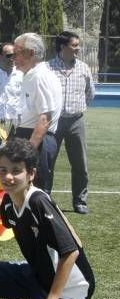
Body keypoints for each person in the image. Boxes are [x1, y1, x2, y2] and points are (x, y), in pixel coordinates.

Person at [0, 138, 95, 299]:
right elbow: (7, 213)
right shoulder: (12, 196)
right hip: (38, 273)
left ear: (31, 173)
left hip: (68, 288)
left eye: (16, 171)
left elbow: (70, 251)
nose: (8, 177)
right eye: (3, 170)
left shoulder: (38, 202)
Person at [48, 31, 95, 214]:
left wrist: (78, 107)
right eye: (74, 45)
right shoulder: (48, 68)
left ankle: (80, 201)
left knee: (80, 164)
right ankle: (45, 200)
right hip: (54, 121)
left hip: (76, 121)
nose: (78, 49)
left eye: (78, 45)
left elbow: (90, 93)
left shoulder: (83, 68)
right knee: (47, 162)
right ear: (62, 46)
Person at [11, 32, 62, 194]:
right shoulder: (31, 75)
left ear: (31, 53)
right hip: (29, 136)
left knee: (35, 192)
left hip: (37, 139)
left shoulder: (39, 76)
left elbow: (45, 118)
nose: (13, 57)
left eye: (16, 53)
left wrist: (28, 150)